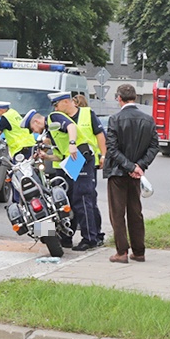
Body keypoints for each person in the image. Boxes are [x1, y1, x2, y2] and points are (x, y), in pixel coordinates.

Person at [103, 84, 159, 263]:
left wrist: (128, 166)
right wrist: (139, 166)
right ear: (134, 97)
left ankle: (122, 252)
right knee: (135, 211)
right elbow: (154, 146)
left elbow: (112, 148)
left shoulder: (115, 119)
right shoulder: (148, 120)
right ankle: (139, 251)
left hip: (118, 172)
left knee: (117, 213)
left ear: (119, 98)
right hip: (137, 174)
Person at [46, 91, 107, 251]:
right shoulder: (57, 118)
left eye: (57, 105)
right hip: (68, 163)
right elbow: (55, 141)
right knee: (68, 200)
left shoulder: (87, 113)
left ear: (66, 102)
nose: (55, 108)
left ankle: (92, 237)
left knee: (85, 198)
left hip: (85, 159)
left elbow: (100, 135)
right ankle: (67, 236)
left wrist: (103, 155)